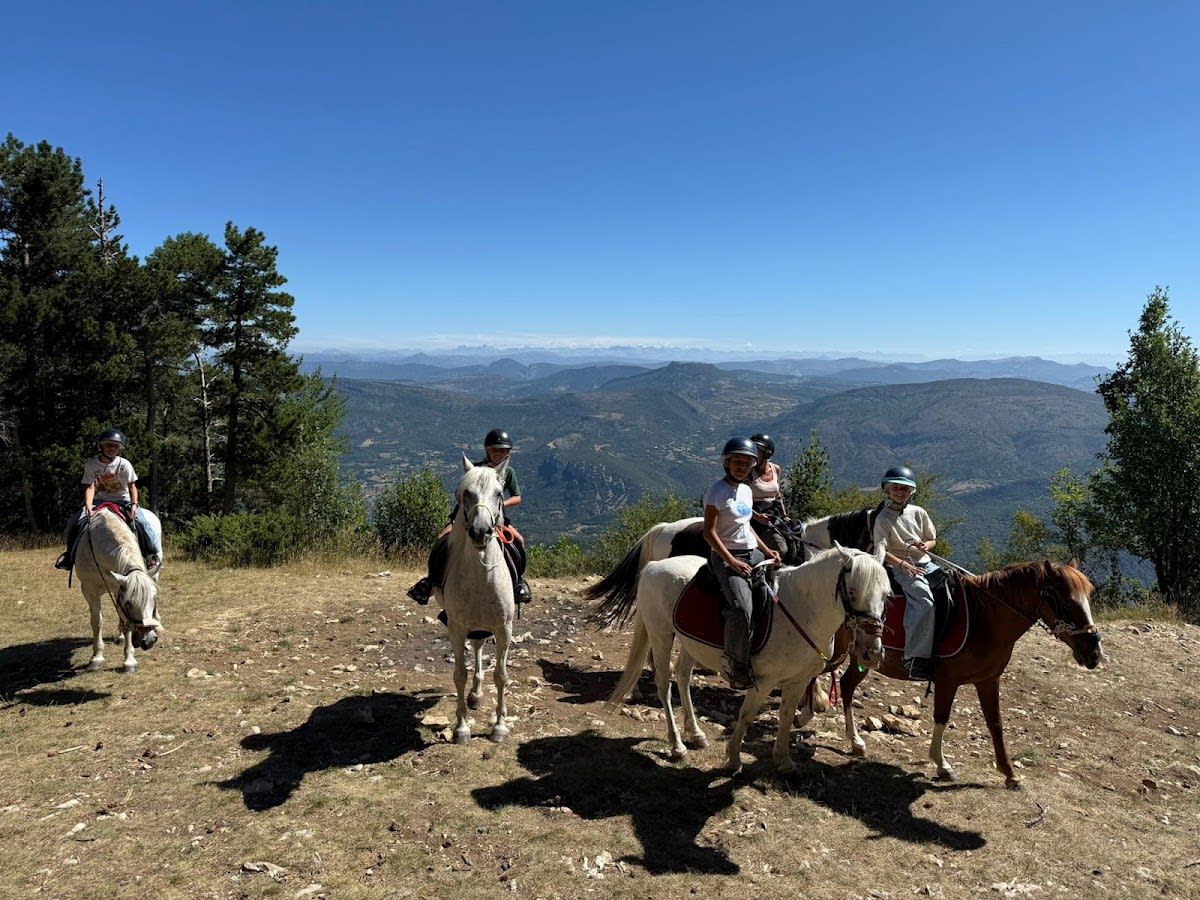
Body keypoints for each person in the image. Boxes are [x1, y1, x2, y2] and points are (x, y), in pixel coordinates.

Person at [406, 428, 532, 606]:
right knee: (442, 539)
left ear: (508, 453)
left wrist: (500, 504)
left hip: (495, 517)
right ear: (487, 450)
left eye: (503, 450)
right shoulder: (476, 469)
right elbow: (462, 495)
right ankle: (431, 582)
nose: (498, 454)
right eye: (495, 450)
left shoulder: (508, 472)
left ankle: (518, 582)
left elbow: (517, 497)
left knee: (518, 541)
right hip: (468, 515)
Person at [703, 437, 782, 690]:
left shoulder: (746, 490)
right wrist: (732, 561)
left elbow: (746, 526)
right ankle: (735, 664)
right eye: (737, 462)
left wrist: (767, 549)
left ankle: (763, 647)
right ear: (727, 463)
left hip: (752, 553)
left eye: (747, 463)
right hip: (728, 556)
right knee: (741, 608)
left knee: (774, 598)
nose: (742, 467)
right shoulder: (717, 492)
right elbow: (709, 533)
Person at [55, 428, 163, 572]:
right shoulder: (92, 465)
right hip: (99, 502)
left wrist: (134, 505)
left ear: (120, 448)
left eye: (116, 446)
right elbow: (90, 487)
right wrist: (88, 506)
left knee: (143, 522)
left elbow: (132, 487)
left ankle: (151, 554)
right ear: (101, 446)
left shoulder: (124, 465)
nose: (112, 449)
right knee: (75, 522)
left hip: (123, 500)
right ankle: (69, 556)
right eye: (108, 445)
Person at [871, 465, 938, 681]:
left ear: (911, 492)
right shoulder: (882, 518)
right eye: (896, 488)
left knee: (955, 588)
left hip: (924, 562)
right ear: (888, 491)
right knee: (924, 601)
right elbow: (881, 551)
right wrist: (904, 565)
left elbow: (932, 539)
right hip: (899, 567)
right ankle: (914, 657)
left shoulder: (919, 513)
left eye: (905, 489)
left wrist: (926, 546)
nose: (901, 492)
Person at [748, 432, 790, 560]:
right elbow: (739, 500)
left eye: (757, 452)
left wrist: (785, 515)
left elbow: (778, 495)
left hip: (773, 514)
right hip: (755, 515)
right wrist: (757, 517)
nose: (753, 455)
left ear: (767, 454)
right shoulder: (748, 473)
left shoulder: (776, 469)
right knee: (781, 549)